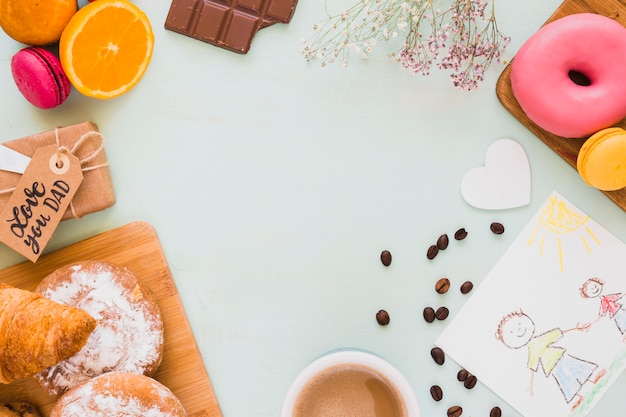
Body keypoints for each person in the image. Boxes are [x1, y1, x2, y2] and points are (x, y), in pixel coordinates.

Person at [495, 310, 605, 410]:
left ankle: (592, 380)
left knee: (576, 368)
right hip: (551, 366)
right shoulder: (532, 350)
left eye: (519, 324)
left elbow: (556, 334)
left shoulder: (540, 339)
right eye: (511, 332)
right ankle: (578, 397)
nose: (519, 330)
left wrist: (576, 328)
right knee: (566, 381)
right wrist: (530, 384)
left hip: (560, 357)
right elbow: (533, 366)